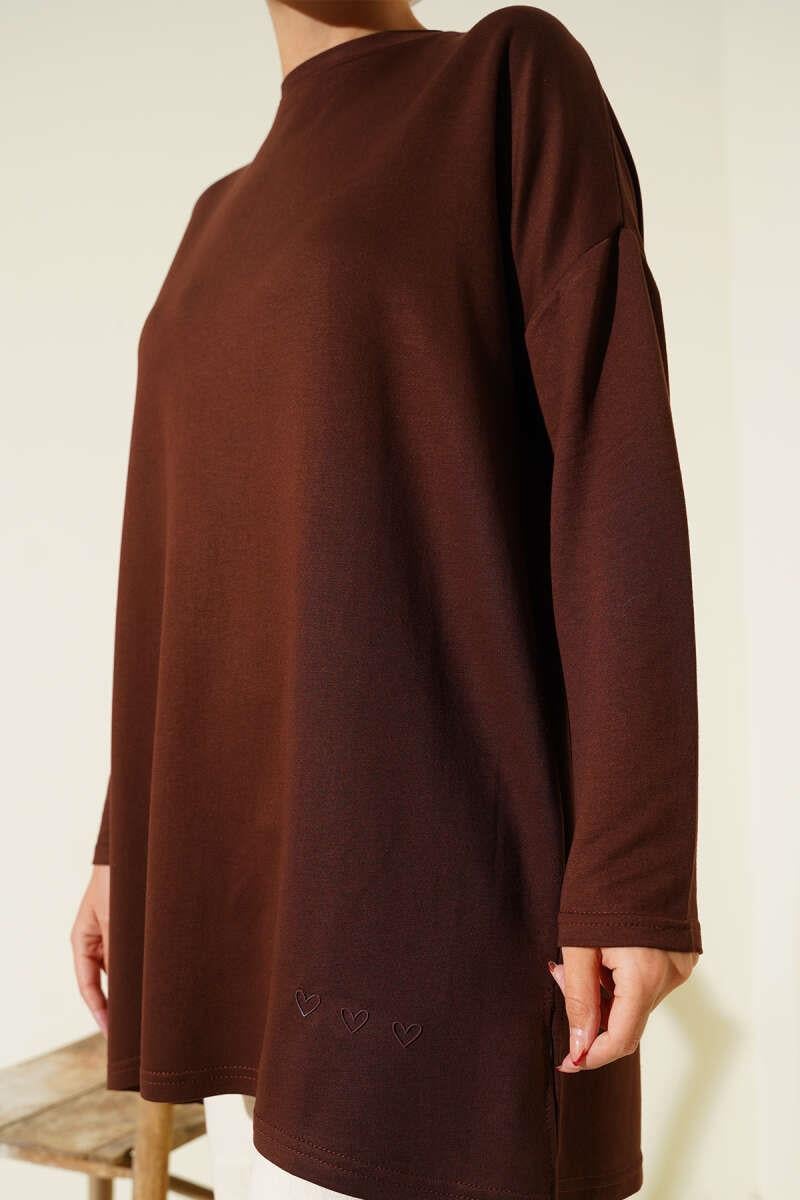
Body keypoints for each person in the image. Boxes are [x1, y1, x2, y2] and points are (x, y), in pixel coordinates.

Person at [70, 3, 702, 1199]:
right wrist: (124, 840)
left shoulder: (503, 81)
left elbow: (612, 478)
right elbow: (196, 551)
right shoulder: (215, 216)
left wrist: (632, 872)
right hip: (234, 877)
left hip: (433, 872)